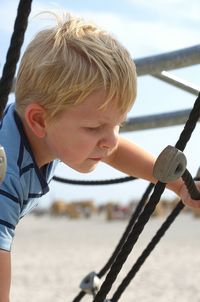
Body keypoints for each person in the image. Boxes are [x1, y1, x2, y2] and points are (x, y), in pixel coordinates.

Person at [0, 11, 199, 301]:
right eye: (95, 127)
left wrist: (178, 185)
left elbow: (115, 152)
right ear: (39, 121)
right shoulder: (7, 176)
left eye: (119, 124)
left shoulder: (56, 133)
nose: (111, 140)